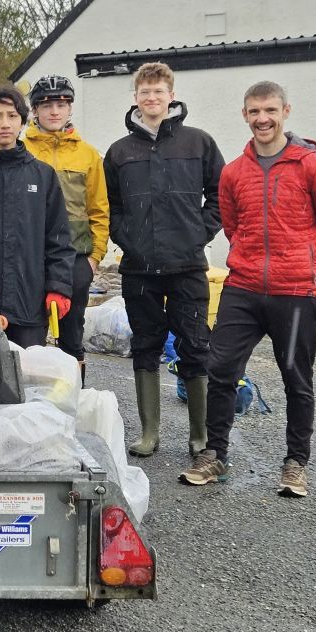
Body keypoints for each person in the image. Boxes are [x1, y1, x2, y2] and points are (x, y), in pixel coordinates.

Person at [181, 81, 316, 497]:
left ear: (286, 112)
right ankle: (214, 455)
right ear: (245, 115)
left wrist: (309, 267)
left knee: (296, 378)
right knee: (220, 371)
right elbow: (233, 225)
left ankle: (295, 463)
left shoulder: (314, 168)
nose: (263, 119)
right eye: (255, 111)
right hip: (243, 289)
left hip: (295, 293)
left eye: (270, 110)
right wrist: (253, 261)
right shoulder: (234, 172)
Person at [104, 62, 223, 459]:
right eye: (144, 92)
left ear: (171, 95)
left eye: (159, 91)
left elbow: (220, 196)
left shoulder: (198, 143)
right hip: (139, 268)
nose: (151, 98)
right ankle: (149, 433)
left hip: (188, 265)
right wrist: (128, 239)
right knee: (145, 345)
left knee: (194, 345)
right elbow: (112, 206)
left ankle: (200, 435)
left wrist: (198, 233)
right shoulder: (120, 152)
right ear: (135, 97)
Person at [0, 86, 74, 348]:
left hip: (28, 302)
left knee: (29, 378)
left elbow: (59, 238)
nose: (4, 124)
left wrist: (58, 287)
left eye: (11, 115)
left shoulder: (42, 175)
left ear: (22, 121)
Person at [23, 75, 110, 384]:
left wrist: (94, 258)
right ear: (34, 111)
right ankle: (32, 399)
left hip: (75, 258)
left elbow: (99, 209)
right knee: (30, 333)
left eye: (61, 105)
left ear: (70, 109)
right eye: (47, 106)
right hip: (31, 257)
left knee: (72, 335)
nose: (54, 112)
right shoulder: (22, 148)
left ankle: (75, 398)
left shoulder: (88, 154)